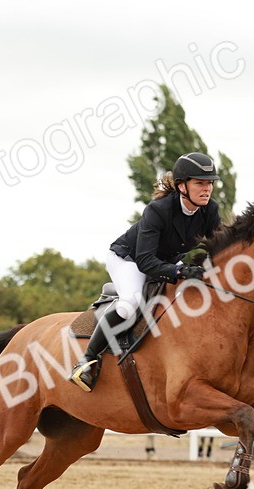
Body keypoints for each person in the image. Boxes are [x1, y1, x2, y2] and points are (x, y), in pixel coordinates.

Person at [68, 152, 224, 392]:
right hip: (129, 259)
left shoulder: (209, 210)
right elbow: (145, 261)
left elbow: (218, 249)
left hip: (164, 261)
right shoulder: (158, 210)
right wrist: (180, 271)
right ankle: (87, 361)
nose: (207, 189)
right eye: (200, 183)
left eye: (210, 183)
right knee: (130, 303)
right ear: (182, 186)